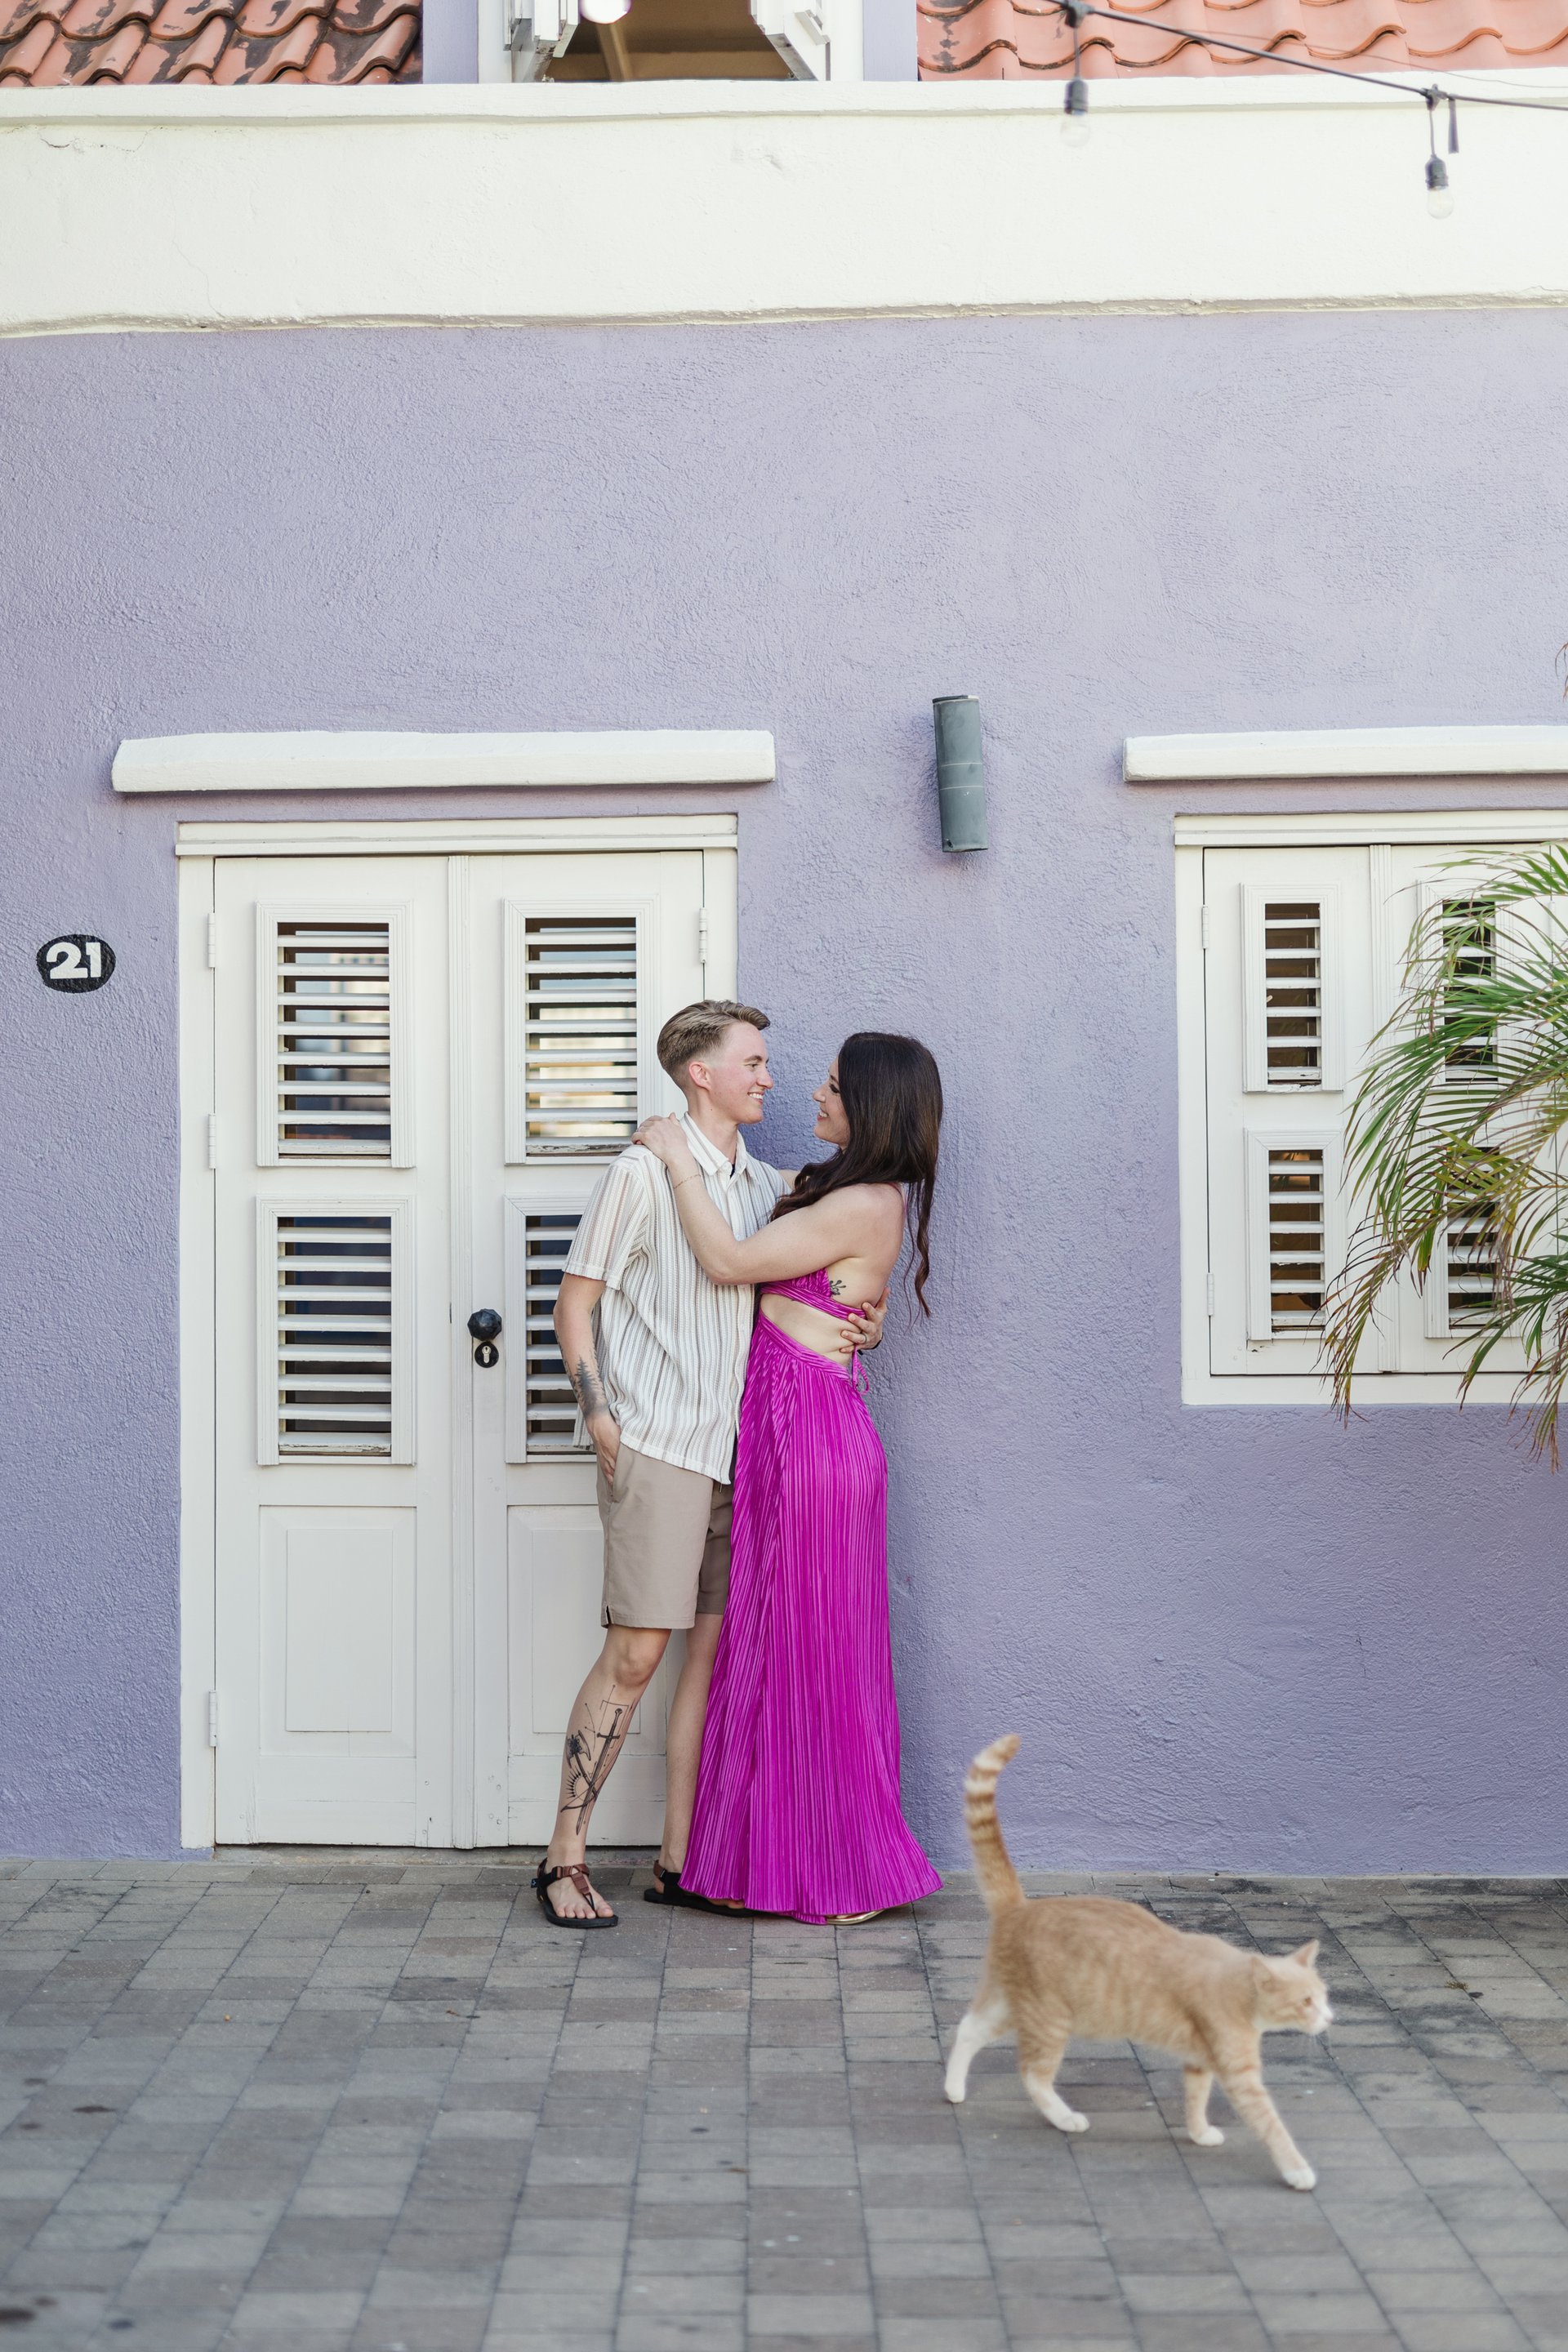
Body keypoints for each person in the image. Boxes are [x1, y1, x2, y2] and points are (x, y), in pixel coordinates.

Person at [535, 1000, 886, 1928]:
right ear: (702, 1074)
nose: (771, 1077)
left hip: (745, 1456)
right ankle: (563, 1857)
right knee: (637, 1653)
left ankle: (679, 1860)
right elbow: (574, 1305)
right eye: (754, 1062)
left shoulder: (770, 1187)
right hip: (660, 1447)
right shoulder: (641, 1172)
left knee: (715, 1659)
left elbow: (832, 1265)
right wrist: (598, 1411)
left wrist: (866, 1316)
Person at [633, 1032, 943, 1927]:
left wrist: (674, 1161)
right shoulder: (841, 1191)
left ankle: (842, 1873)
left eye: (834, 1087)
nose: (814, 1093)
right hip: (789, 1440)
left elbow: (730, 1264)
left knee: (815, 1659)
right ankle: (756, 1863)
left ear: (870, 1106)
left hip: (812, 1448)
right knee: (773, 1651)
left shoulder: (865, 1202)